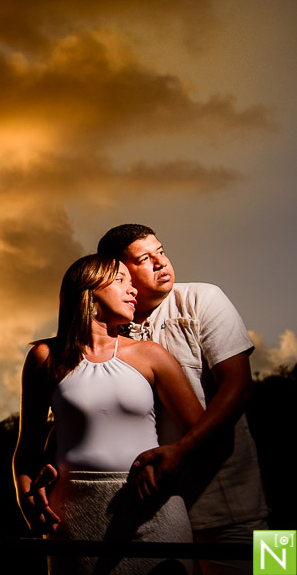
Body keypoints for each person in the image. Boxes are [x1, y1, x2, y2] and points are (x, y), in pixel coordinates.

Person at [14, 254, 204, 575]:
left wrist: (168, 460)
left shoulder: (151, 355)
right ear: (89, 289)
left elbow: (202, 431)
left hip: (152, 508)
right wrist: (26, 498)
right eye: (121, 280)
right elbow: (27, 448)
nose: (133, 290)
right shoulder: (44, 357)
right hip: (73, 514)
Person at [97, 225, 268, 574]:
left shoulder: (204, 297)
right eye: (145, 259)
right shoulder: (108, 331)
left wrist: (182, 450)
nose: (161, 262)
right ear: (118, 273)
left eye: (161, 251)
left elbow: (240, 388)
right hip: (158, 515)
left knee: (280, 570)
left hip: (240, 502)